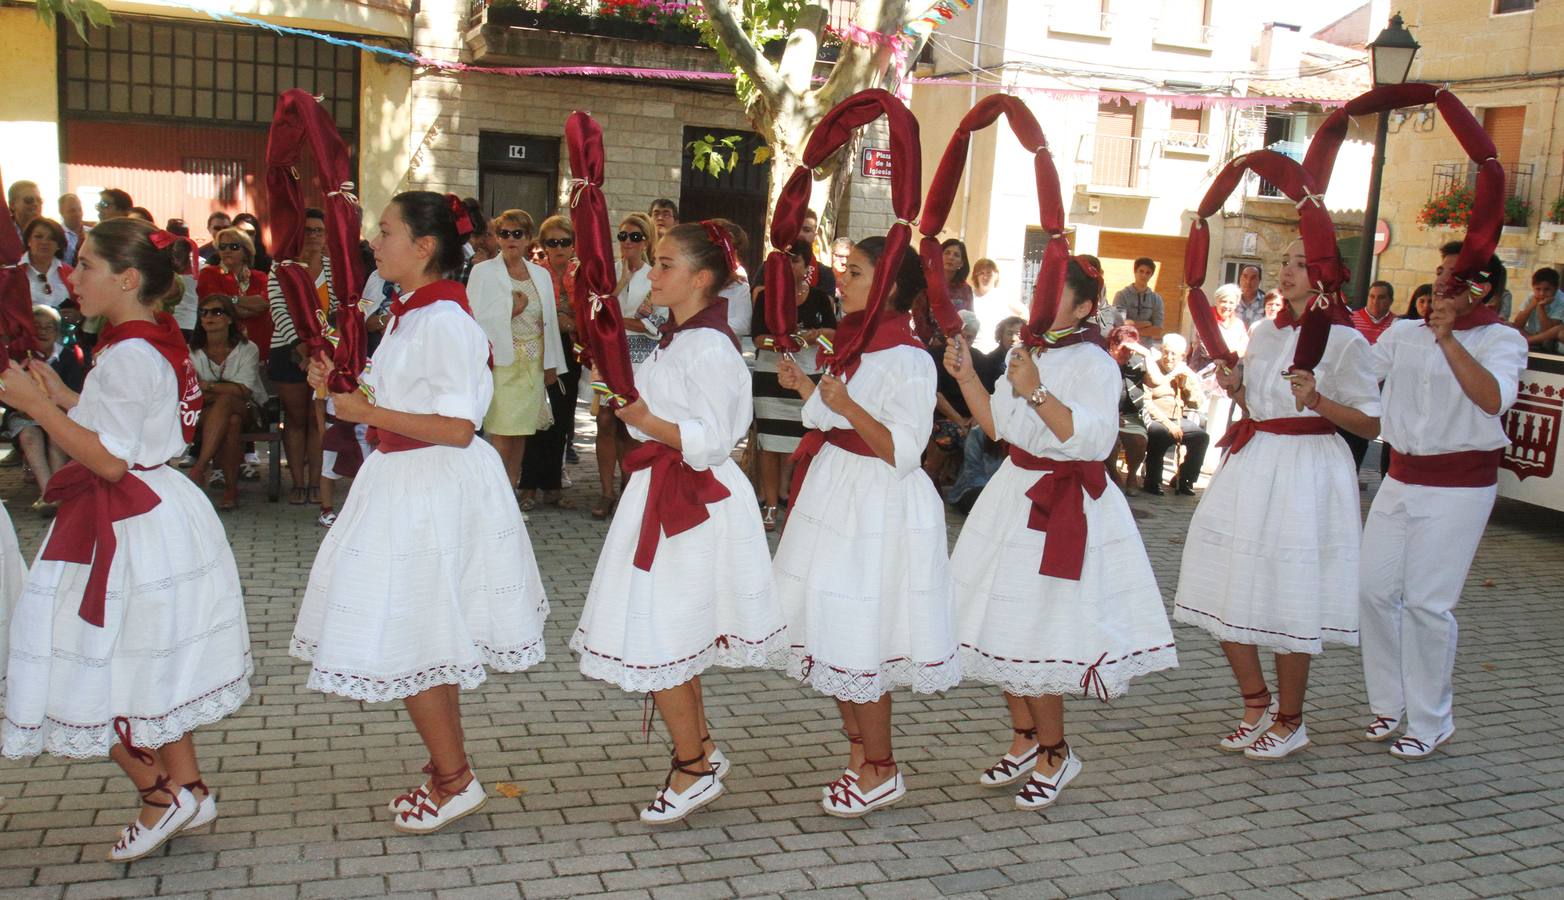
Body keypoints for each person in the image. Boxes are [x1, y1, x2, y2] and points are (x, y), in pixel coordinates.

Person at [291, 191, 548, 834]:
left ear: (424, 246)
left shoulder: (445, 321)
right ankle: (449, 769)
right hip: (406, 481)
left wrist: (367, 412)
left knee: (414, 632)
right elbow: (400, 397)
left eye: (385, 232)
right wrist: (342, 386)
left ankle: (455, 779)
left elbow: (459, 425)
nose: (374, 244)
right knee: (422, 632)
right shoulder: (409, 312)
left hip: (431, 487)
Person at [0, 217, 251, 861]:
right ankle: (188, 785)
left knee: (78, 658)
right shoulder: (150, 336)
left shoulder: (133, 351)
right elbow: (125, 426)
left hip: (127, 518)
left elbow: (110, 460)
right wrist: (63, 394)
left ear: (128, 278)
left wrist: (40, 409)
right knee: (148, 660)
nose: (73, 276)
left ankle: (157, 792)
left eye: (85, 265)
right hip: (153, 511)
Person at [944, 255, 1177, 810]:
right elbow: (997, 427)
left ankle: (1056, 751)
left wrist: (1038, 391)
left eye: (1056, 296)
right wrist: (968, 377)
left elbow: (1092, 442)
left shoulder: (1094, 363)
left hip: (1061, 503)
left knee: (1036, 630)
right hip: (1013, 493)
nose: (1043, 305)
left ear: (1084, 306)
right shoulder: (1032, 349)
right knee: (1003, 622)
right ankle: (1026, 738)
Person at [570, 221, 781, 824]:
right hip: (663, 493)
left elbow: (714, 441)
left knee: (662, 632)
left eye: (664, 265)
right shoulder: (677, 338)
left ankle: (692, 765)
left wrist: (641, 414)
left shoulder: (710, 345)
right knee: (670, 633)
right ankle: (702, 752)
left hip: (692, 501)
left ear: (702, 278)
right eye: (654, 263)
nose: (652, 274)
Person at [772, 235, 959, 817]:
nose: (840, 281)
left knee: (861, 638)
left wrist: (848, 405)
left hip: (876, 506)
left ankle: (882, 767)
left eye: (853, 272)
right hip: (836, 492)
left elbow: (903, 450)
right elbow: (831, 416)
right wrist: (807, 387)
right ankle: (860, 755)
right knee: (831, 629)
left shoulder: (906, 356)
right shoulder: (854, 342)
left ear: (888, 287)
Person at [1173, 238, 1381, 760]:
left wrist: (1317, 399)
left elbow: (1371, 422)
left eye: (1300, 263)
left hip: (1306, 468)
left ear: (1327, 275)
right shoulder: (1264, 331)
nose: (1286, 271)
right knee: (1219, 575)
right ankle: (1256, 702)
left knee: (1290, 592)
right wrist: (1235, 384)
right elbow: (1257, 402)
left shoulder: (1345, 340)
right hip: (1253, 458)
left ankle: (1292, 719)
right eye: (1284, 261)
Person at [1359, 243, 1528, 760]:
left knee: (1428, 604)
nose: (1440, 285)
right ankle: (1390, 702)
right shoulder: (1406, 332)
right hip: (1402, 476)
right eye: (1438, 274)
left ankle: (1432, 720)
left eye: (1453, 279)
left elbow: (1493, 398)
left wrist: (1449, 338)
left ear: (1485, 291)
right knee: (1372, 591)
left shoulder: (1503, 340)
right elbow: (1362, 369)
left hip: (1460, 485)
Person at [468, 209, 566, 500]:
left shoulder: (540, 274)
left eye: (517, 234)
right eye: (504, 234)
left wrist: (552, 365)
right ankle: (495, 499)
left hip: (532, 364)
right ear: (497, 238)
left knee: (521, 432)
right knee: (500, 433)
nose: (511, 239)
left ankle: (509, 496)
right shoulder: (482, 272)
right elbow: (470, 317)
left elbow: (549, 321)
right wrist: (509, 310)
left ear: (528, 239)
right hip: (500, 364)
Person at [750, 239, 837, 529]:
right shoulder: (765, 297)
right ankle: (771, 506)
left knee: (804, 442)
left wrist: (813, 336)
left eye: (795, 260)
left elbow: (832, 338)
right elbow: (758, 338)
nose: (789, 266)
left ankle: (800, 505)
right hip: (770, 376)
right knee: (770, 444)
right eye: (783, 260)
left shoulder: (821, 298)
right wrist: (781, 341)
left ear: (807, 265)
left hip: (809, 376)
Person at [591, 212, 660, 519]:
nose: (627, 242)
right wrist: (618, 285)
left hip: (640, 359)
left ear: (645, 241)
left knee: (629, 424)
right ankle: (605, 492)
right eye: (622, 236)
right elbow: (596, 309)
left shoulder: (654, 275)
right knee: (605, 421)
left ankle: (628, 488)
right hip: (609, 354)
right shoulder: (609, 273)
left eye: (634, 236)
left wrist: (615, 318)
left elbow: (654, 323)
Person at [266, 208, 333, 505]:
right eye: (308, 230)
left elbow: (343, 308)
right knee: (294, 419)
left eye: (319, 230)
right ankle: (297, 482)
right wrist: (302, 346)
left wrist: (322, 348)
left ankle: (318, 481)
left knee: (317, 417)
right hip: (288, 351)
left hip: (326, 353)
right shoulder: (280, 268)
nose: (314, 236)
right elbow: (278, 310)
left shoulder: (334, 268)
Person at [519, 214, 582, 498]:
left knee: (562, 416)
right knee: (536, 415)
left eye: (564, 242)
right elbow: (532, 315)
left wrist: (565, 318)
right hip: (540, 350)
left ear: (573, 245)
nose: (559, 248)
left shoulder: (583, 275)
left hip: (572, 351)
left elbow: (591, 316)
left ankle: (553, 485)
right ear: (543, 245)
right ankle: (529, 485)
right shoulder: (534, 274)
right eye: (552, 242)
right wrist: (562, 318)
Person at [188, 294, 267, 510]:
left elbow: (243, 390)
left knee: (228, 401)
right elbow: (192, 391)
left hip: (249, 411)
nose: (209, 317)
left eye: (216, 312)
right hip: (204, 412)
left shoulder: (247, 348)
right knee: (230, 421)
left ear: (230, 319)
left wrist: (209, 387)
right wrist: (221, 390)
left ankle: (201, 465)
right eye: (203, 313)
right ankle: (230, 490)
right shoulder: (191, 351)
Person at [1140, 333, 1208, 496]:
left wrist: (1187, 386)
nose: (1168, 357)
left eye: (1173, 354)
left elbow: (1197, 404)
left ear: (1182, 356)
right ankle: (1152, 480)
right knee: (1159, 434)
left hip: (1177, 418)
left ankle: (1185, 478)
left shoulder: (1185, 372)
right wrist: (1168, 424)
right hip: (1156, 418)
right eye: (1165, 352)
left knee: (1201, 438)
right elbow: (1146, 403)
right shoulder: (1151, 368)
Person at [197, 227, 272, 360]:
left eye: (234, 246)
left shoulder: (260, 277)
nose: (227, 251)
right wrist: (253, 308)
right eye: (222, 247)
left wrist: (231, 300)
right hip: (223, 352)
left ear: (246, 251)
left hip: (260, 350)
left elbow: (265, 303)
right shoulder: (208, 274)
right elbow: (218, 310)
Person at [1106, 324, 1149, 491]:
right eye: (1125, 348)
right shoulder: (1104, 363)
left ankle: (1132, 475)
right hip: (1107, 415)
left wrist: (1147, 355)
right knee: (1111, 441)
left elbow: (1157, 382)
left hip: (1130, 416)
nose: (1129, 353)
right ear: (1113, 346)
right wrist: (1113, 417)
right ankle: (1114, 474)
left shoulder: (1136, 364)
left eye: (1132, 349)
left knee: (1139, 441)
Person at [21, 218, 72, 308]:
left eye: (52, 238)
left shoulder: (71, 273)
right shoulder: (10, 273)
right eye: (38, 236)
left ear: (59, 245)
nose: (44, 242)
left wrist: (77, 315)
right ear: (29, 240)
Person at [1510, 267, 1563, 352]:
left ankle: (1529, 342)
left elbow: (1548, 331)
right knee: (1507, 325)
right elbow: (1518, 324)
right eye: (1538, 289)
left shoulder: (1561, 301)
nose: (1542, 293)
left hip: (1549, 340)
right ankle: (1530, 342)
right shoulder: (1531, 297)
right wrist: (1531, 306)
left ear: (1556, 289)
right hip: (1532, 334)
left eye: (1547, 289)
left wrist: (1540, 308)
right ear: (1533, 287)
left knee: (1552, 338)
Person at [1112, 257, 1164, 339]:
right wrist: (1147, 323)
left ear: (1151, 275)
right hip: (1124, 346)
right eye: (1141, 271)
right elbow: (1119, 324)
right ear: (1135, 272)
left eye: (1148, 273)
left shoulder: (1156, 299)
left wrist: (1132, 331)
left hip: (1146, 348)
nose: (1144, 275)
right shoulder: (1121, 295)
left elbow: (1158, 329)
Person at [1353, 281, 1398, 345]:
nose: (1375, 302)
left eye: (1381, 298)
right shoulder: (1350, 319)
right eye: (1372, 296)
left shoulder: (1396, 323)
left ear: (1391, 301)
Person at [941, 238, 975, 312]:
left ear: (961, 263)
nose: (950, 257)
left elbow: (969, 317)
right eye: (947, 253)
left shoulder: (965, 289)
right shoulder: (928, 284)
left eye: (956, 255)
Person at [58, 193, 85, 266]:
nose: (78, 213)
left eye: (79, 209)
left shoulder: (92, 232)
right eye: (72, 210)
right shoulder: (58, 235)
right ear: (61, 212)